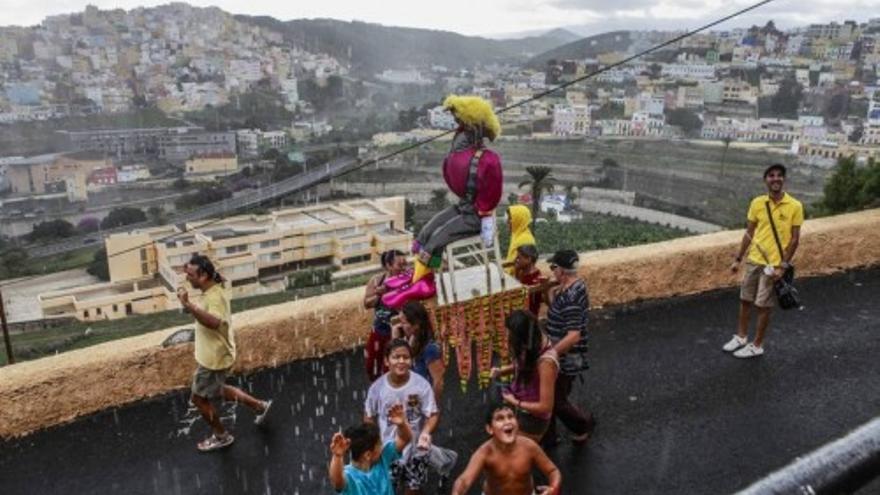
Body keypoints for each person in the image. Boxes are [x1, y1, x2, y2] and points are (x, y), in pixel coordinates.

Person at [390, 95, 503, 302]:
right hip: (465, 206)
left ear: (473, 128)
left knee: (437, 240)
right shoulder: (459, 151)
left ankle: (424, 283)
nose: (457, 125)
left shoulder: (489, 159)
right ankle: (416, 273)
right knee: (426, 231)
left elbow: (492, 194)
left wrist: (485, 216)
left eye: (461, 121)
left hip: (477, 215)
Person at [176, 254, 271, 452]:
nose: (188, 278)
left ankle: (221, 436)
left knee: (199, 399)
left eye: (191, 275)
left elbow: (213, 322)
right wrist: (189, 302)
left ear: (203, 276)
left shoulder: (215, 296)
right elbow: (205, 312)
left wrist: (189, 305)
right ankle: (259, 406)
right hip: (217, 355)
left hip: (213, 360)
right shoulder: (210, 290)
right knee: (218, 390)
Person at [725, 163, 804, 358]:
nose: (775, 179)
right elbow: (749, 233)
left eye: (779, 176)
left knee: (763, 305)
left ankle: (757, 344)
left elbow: (795, 240)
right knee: (745, 299)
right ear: (766, 180)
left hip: (774, 266)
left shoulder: (795, 206)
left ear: (784, 179)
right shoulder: (757, 203)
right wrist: (738, 259)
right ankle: (741, 336)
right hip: (754, 259)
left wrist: (783, 266)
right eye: (771, 176)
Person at [365, 339, 440, 494]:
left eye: (405, 357)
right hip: (388, 449)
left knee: (413, 490)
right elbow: (368, 416)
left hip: (415, 449)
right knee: (387, 488)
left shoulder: (421, 385)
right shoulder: (377, 388)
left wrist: (425, 432)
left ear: (411, 360)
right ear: (386, 361)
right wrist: (373, 443)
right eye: (396, 357)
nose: (401, 361)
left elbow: (432, 414)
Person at [451, 403, 562, 495]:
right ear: (490, 429)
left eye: (510, 416)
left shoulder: (529, 446)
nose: (507, 421)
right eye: (500, 418)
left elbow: (552, 471)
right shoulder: (484, 452)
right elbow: (464, 481)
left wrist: (553, 488)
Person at [543, 249, 594, 446]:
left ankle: (584, 424)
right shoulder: (571, 288)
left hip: (566, 357)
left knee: (556, 400)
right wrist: (550, 292)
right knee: (551, 395)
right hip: (559, 355)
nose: (552, 271)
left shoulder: (572, 297)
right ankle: (548, 436)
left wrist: (552, 353)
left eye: (553, 267)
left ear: (562, 271)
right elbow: (558, 313)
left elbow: (573, 335)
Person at [490, 310, 559, 443]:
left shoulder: (546, 363)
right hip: (521, 410)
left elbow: (545, 406)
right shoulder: (531, 343)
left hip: (533, 419)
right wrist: (502, 371)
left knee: (513, 452)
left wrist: (516, 402)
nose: (508, 337)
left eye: (511, 334)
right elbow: (524, 366)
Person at [328, 405, 412, 495]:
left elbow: (404, 439)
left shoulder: (382, 459)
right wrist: (337, 456)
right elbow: (337, 481)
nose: (382, 446)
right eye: (379, 444)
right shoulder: (350, 475)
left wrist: (402, 425)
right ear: (368, 455)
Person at [363, 250, 407, 382]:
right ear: (388, 265)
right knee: (372, 367)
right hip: (378, 331)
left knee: (393, 369)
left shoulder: (407, 282)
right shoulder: (377, 280)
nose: (403, 268)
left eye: (405, 264)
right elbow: (366, 303)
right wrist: (379, 294)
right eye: (400, 265)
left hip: (398, 333)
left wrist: (395, 295)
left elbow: (410, 308)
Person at [392, 301, 446, 404]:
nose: (400, 327)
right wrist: (395, 340)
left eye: (403, 323)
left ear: (416, 325)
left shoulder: (430, 348)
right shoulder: (411, 344)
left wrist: (431, 408)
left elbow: (438, 382)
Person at [512, 244, 547, 316]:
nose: (515, 260)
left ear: (529, 259)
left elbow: (520, 296)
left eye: (519, 258)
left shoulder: (536, 278)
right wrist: (516, 272)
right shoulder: (522, 272)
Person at [504, 204, 536, 275]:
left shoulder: (525, 240)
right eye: (508, 218)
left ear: (519, 220)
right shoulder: (517, 234)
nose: (507, 221)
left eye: (510, 219)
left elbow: (518, 264)